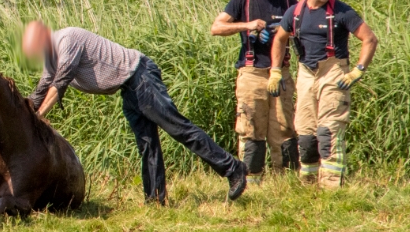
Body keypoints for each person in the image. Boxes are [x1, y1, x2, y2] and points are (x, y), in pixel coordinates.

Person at [23, 21, 247, 205]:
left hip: (141, 76)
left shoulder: (67, 39)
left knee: (179, 129)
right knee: (147, 144)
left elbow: (59, 83)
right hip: (128, 88)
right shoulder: (50, 57)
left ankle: (233, 168)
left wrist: (39, 117)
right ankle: (155, 201)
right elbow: (42, 88)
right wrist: (23, 110)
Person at [268, 0, 378, 189]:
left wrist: (358, 70)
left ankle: (331, 187)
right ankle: (308, 184)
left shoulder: (342, 11)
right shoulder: (295, 12)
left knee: (327, 131)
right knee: (306, 134)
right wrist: (276, 70)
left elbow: (370, 39)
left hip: (334, 72)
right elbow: (280, 39)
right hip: (306, 74)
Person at [211, 0, 299, 186]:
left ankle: (286, 182)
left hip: (281, 73)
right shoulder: (241, 1)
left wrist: (284, 32)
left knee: (284, 128)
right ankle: (250, 182)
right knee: (251, 128)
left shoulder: (288, 2)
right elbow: (216, 27)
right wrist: (247, 25)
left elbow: (303, 29)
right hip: (251, 73)